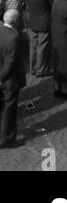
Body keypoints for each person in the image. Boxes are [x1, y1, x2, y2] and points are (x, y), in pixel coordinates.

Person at [0, 9, 26, 149]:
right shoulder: (13, 37)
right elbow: (11, 63)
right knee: (9, 110)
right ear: (16, 21)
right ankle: (8, 139)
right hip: (9, 80)